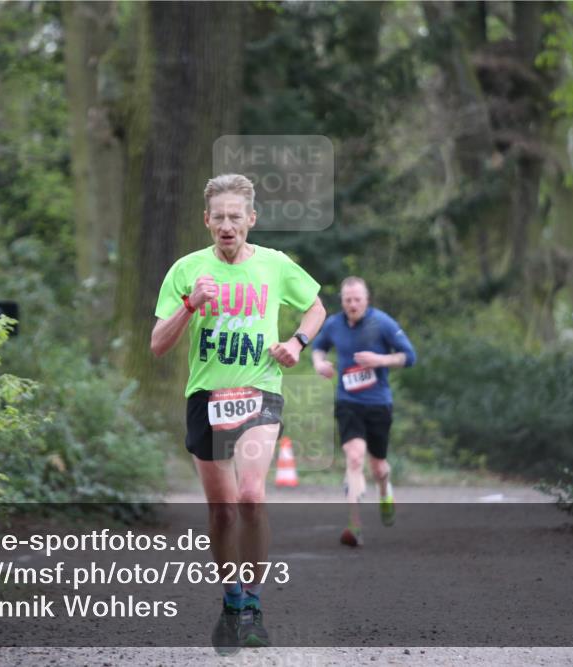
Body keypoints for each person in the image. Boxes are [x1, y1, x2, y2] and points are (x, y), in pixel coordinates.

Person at [151, 173, 325, 653]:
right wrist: (190, 305)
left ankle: (253, 606)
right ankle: (231, 602)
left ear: (252, 219)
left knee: (250, 496)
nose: (227, 225)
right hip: (206, 396)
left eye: (236, 217)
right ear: (206, 221)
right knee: (223, 510)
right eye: (219, 217)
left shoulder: (274, 264)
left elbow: (315, 308)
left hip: (259, 390)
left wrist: (296, 342)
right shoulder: (186, 270)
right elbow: (158, 345)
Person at [311, 277, 416, 547]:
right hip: (348, 402)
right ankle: (354, 524)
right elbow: (318, 348)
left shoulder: (382, 323)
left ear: (366, 299)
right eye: (348, 300)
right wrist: (320, 364)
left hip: (378, 403)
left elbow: (409, 356)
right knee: (355, 457)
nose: (353, 304)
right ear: (342, 301)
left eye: (357, 299)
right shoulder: (334, 324)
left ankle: (385, 491)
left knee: (378, 466)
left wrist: (380, 359)